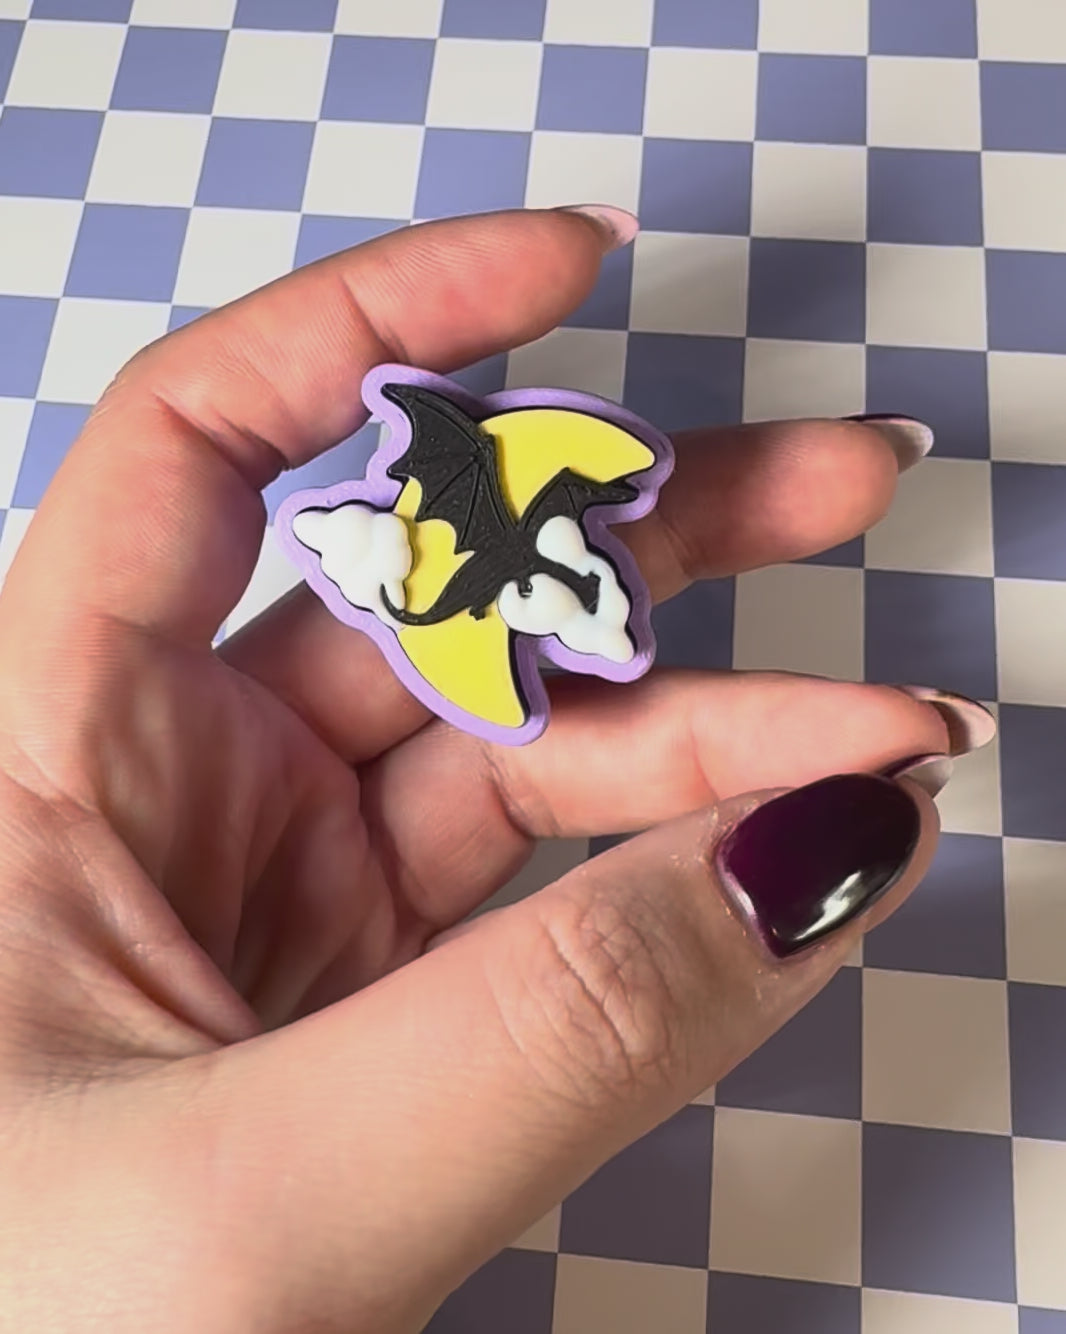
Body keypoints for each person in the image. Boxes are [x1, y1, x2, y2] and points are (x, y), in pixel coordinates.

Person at [0, 206, 992, 1331]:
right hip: (474, 557)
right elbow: (485, 650)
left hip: (499, 530)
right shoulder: (442, 610)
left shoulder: (498, 532)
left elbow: (564, 522)